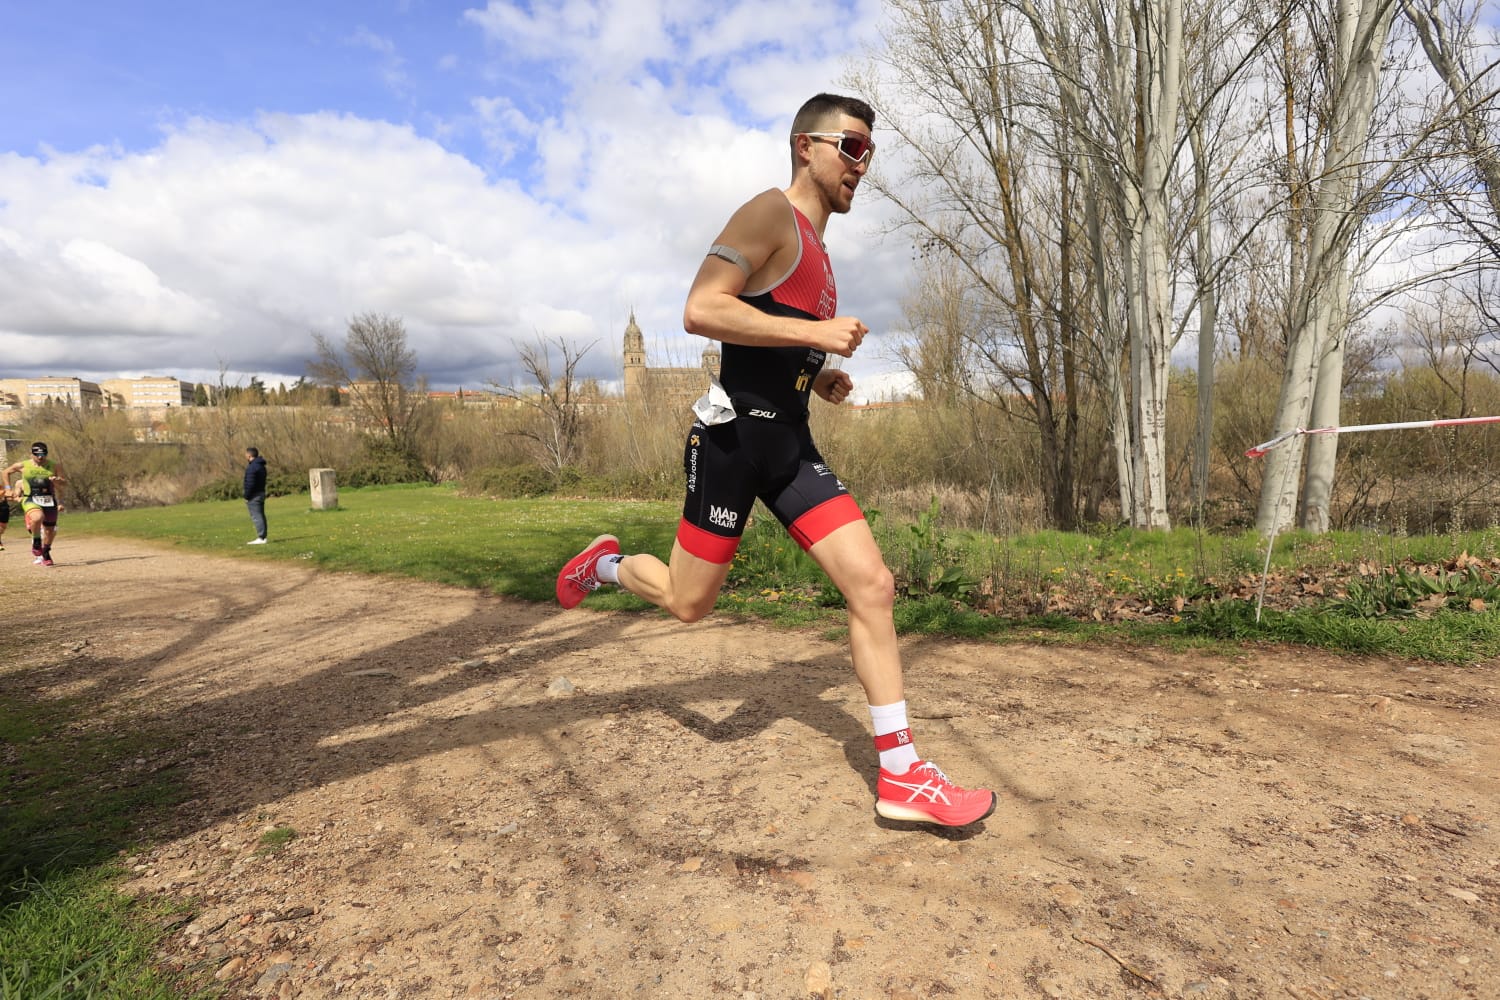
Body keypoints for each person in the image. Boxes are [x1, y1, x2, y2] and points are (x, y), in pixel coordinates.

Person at [556, 93, 996, 828]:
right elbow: (702, 309)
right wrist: (820, 330)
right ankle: (602, 566)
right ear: (806, 146)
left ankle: (901, 776)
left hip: (790, 446)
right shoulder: (769, 213)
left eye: (871, 152)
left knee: (874, 584)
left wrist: (816, 371)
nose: (864, 165)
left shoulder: (821, 257)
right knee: (689, 604)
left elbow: (769, 336)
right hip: (729, 444)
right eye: (852, 147)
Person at [1, 442, 65, 566]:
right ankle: (36, 541)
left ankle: (46, 551)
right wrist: (8, 488)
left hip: (49, 500)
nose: (40, 457)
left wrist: (58, 480)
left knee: (50, 530)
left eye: (43, 454)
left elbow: (64, 484)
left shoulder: (55, 466)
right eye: (37, 455)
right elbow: (5, 472)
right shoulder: (22, 465)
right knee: (37, 517)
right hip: (30, 498)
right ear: (32, 454)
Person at [244, 447, 268, 545]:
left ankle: (261, 537)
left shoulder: (252, 467)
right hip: (261, 492)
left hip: (254, 495)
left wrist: (246, 496)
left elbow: (250, 484)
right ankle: (263, 537)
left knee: (257, 516)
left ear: (249, 455)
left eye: (246, 454)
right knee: (261, 515)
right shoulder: (261, 466)